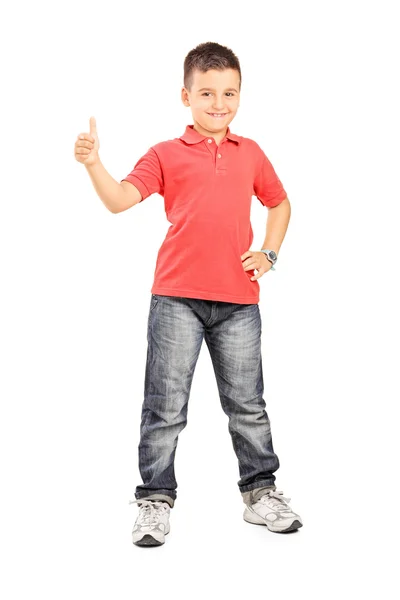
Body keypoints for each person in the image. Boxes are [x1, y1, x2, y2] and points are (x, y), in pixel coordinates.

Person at [74, 41, 303, 547]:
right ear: (186, 96)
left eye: (229, 93)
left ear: (239, 95)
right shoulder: (164, 154)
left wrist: (268, 253)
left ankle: (260, 493)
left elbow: (280, 204)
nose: (218, 103)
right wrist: (94, 164)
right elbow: (119, 201)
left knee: (248, 405)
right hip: (176, 298)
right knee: (165, 407)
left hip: (239, 303)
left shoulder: (251, 153)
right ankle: (155, 500)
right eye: (206, 93)